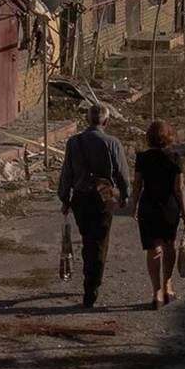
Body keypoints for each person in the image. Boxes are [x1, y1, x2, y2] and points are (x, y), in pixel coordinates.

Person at [57, 101, 129, 309]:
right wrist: (125, 195)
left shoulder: (74, 143)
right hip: (103, 198)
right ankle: (91, 285)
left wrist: (65, 198)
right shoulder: (112, 143)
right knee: (99, 242)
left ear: (87, 120)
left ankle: (89, 274)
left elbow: (67, 173)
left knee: (88, 237)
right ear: (106, 121)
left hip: (80, 197)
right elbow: (122, 173)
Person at [133, 120, 185, 309]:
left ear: (149, 137)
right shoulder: (174, 158)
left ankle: (156, 291)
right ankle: (167, 284)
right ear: (168, 136)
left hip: (149, 206)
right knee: (169, 245)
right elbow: (179, 187)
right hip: (169, 207)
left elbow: (137, 185)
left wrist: (134, 205)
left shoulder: (142, 158)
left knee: (153, 249)